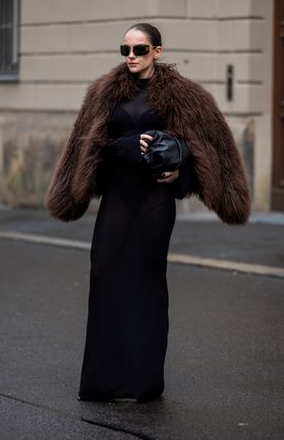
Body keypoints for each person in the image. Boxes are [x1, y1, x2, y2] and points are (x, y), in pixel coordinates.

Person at [46, 23, 250, 403]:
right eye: (125, 50)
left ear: (157, 51)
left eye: (139, 50)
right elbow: (90, 143)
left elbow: (202, 145)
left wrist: (179, 167)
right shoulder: (104, 92)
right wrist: (126, 146)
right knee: (104, 274)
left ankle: (143, 382)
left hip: (155, 199)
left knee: (146, 283)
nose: (131, 58)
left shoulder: (186, 95)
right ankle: (102, 381)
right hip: (118, 198)